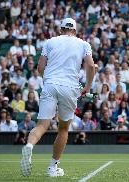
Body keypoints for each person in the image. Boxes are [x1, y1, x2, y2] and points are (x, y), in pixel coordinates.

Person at [20, 18, 95, 177]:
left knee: (41, 125)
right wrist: (87, 86)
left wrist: (48, 79)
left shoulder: (49, 42)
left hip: (50, 85)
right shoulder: (83, 44)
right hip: (70, 88)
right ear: (74, 30)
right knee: (63, 128)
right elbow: (90, 66)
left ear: (61, 29)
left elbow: (40, 67)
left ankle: (29, 146)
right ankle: (52, 168)